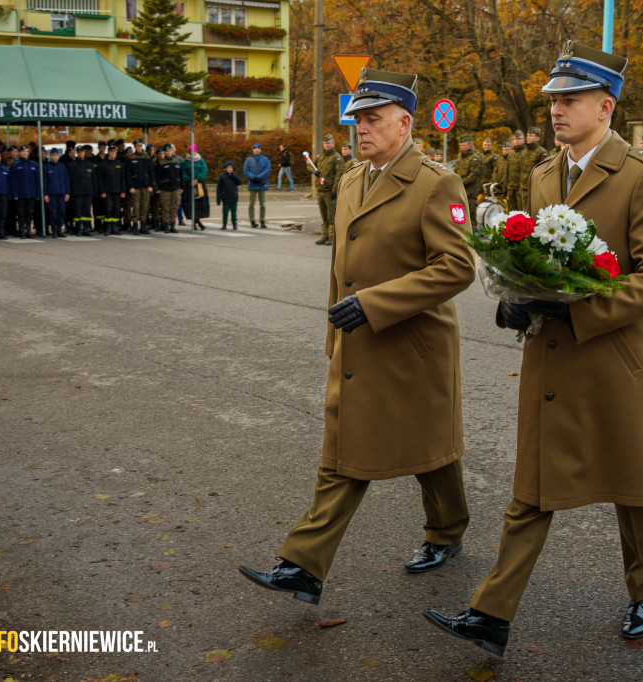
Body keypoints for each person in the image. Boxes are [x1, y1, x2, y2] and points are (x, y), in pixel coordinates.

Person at [424, 40, 643, 654]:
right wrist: (515, 300)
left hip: (616, 359)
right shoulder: (545, 173)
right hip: (552, 357)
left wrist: (578, 306)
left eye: (570, 100)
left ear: (606, 106)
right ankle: (492, 614)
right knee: (532, 490)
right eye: (553, 101)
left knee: (635, 486)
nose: (556, 110)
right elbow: (532, 261)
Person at [239, 66, 476, 607]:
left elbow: (455, 267)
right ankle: (306, 565)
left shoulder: (436, 182)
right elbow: (341, 268)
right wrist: (335, 333)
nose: (361, 130)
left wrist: (373, 304)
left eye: (373, 119)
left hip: (412, 344)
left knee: (427, 446)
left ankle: (442, 532)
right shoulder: (351, 178)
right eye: (357, 121)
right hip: (357, 341)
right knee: (351, 449)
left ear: (405, 123)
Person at [312, 134, 344, 243]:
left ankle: (332, 236)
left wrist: (335, 190)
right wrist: (314, 171)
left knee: (332, 215)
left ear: (333, 144)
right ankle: (325, 235)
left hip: (330, 191)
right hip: (321, 190)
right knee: (324, 215)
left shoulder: (337, 158)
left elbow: (339, 175)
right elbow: (310, 165)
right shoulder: (320, 157)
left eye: (329, 143)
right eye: (325, 143)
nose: (326, 145)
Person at [125, 139, 155, 235]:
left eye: (140, 146)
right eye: (137, 146)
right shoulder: (131, 158)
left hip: (146, 186)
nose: (139, 147)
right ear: (134, 147)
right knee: (136, 206)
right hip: (135, 187)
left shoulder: (147, 157)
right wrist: (130, 186)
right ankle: (135, 226)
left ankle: (143, 225)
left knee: (144, 206)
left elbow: (151, 173)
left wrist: (151, 185)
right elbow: (128, 174)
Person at [96, 145, 127, 235]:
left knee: (116, 210)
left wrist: (122, 191)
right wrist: (102, 191)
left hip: (117, 191)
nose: (113, 153)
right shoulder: (103, 164)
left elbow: (122, 179)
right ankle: (108, 227)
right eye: (111, 151)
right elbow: (100, 179)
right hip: (107, 192)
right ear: (108, 153)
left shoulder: (119, 164)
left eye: (114, 152)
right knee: (108, 209)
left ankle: (115, 227)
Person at [10, 145, 39, 239]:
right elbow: (13, 181)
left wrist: (38, 193)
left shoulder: (34, 164)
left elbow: (37, 180)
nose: (25, 153)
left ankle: (29, 231)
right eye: (23, 151)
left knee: (29, 214)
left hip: (31, 193)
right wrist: (15, 193)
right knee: (21, 214)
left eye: (26, 151)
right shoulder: (15, 164)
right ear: (20, 153)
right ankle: (22, 231)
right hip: (20, 194)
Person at [454, 134, 483, 228]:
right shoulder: (460, 156)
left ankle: (473, 230)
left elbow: (474, 174)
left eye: (463, 145)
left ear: (469, 145)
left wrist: (462, 181)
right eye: (460, 146)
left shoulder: (475, 158)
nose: (461, 148)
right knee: (459, 212)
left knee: (470, 211)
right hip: (459, 189)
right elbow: (456, 170)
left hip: (470, 190)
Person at [68, 145, 97, 236]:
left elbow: (94, 179)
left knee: (87, 211)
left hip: (88, 192)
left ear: (85, 153)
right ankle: (78, 228)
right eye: (79, 152)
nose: (81, 154)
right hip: (77, 192)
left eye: (82, 152)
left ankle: (86, 228)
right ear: (77, 153)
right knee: (78, 211)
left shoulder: (89, 164)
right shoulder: (73, 164)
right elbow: (69, 180)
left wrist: (94, 192)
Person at [518, 126, 549, 211]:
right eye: (527, 135)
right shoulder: (524, 152)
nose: (528, 137)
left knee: (534, 213)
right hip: (523, 188)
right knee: (524, 214)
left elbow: (545, 172)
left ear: (537, 138)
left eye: (531, 135)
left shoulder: (542, 152)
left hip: (535, 189)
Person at [155, 144, 183, 233]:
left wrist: (182, 186)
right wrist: (158, 188)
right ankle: (166, 225)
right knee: (165, 208)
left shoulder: (178, 161)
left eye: (170, 151)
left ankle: (172, 225)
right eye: (166, 151)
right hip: (165, 188)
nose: (168, 153)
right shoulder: (160, 162)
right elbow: (157, 177)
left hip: (176, 188)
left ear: (173, 151)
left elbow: (181, 175)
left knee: (174, 207)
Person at [242, 143, 270, 230]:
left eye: (258, 148)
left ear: (261, 150)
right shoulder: (248, 160)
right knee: (251, 203)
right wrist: (253, 177)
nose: (256, 150)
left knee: (262, 204)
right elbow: (245, 170)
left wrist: (259, 177)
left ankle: (262, 221)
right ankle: (252, 221)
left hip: (261, 183)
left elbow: (268, 170)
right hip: (252, 183)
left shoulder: (265, 159)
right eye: (255, 148)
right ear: (252, 150)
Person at [43, 148, 69, 238]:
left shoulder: (62, 167)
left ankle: (59, 229)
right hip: (51, 194)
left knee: (61, 212)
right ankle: (54, 230)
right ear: (50, 156)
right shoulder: (46, 167)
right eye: (53, 155)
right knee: (53, 212)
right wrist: (45, 194)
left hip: (61, 193)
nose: (55, 157)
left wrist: (67, 193)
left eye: (57, 155)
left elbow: (66, 181)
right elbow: (45, 182)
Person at [182, 145, 210, 229]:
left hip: (199, 185)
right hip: (189, 186)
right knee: (191, 205)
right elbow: (183, 172)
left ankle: (197, 221)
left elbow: (204, 171)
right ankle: (196, 222)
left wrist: (197, 180)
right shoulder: (185, 162)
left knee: (199, 205)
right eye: (190, 152)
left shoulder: (201, 161)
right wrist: (189, 180)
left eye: (193, 151)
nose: (192, 153)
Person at [216, 160, 243, 230]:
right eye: (228, 168)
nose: (229, 169)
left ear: (233, 169)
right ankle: (224, 224)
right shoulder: (222, 177)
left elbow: (240, 182)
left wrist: (233, 175)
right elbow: (219, 188)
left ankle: (234, 224)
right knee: (225, 212)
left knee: (234, 213)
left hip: (233, 197)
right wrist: (218, 198)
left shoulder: (235, 176)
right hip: (225, 198)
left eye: (231, 168)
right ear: (225, 168)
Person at [505, 129, 525, 212]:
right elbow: (507, 170)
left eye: (519, 139)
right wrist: (505, 185)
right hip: (511, 187)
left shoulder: (525, 153)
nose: (516, 141)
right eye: (515, 139)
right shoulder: (511, 154)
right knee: (512, 212)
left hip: (521, 188)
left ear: (524, 140)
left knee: (522, 211)